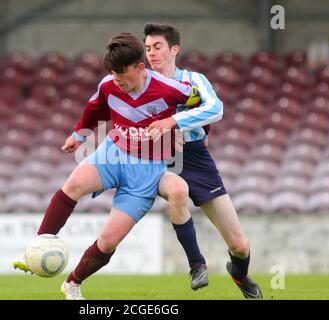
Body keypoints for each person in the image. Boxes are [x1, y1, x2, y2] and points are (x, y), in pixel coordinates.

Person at [13, 32, 207, 299]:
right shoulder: (108, 85)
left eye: (122, 73)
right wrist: (78, 136)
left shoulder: (171, 89)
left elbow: (201, 105)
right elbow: (94, 109)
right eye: (113, 73)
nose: (117, 79)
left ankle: (72, 283)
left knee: (108, 241)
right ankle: (38, 245)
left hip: (147, 173)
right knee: (74, 184)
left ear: (140, 68)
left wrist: (183, 128)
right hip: (112, 155)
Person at [143, 22, 263, 299]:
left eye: (158, 47)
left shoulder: (193, 80)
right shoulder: (142, 83)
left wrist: (173, 123)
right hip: (156, 160)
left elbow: (215, 109)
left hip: (196, 159)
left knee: (240, 245)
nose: (151, 53)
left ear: (175, 49)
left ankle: (239, 274)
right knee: (177, 193)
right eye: (147, 48)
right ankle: (197, 265)